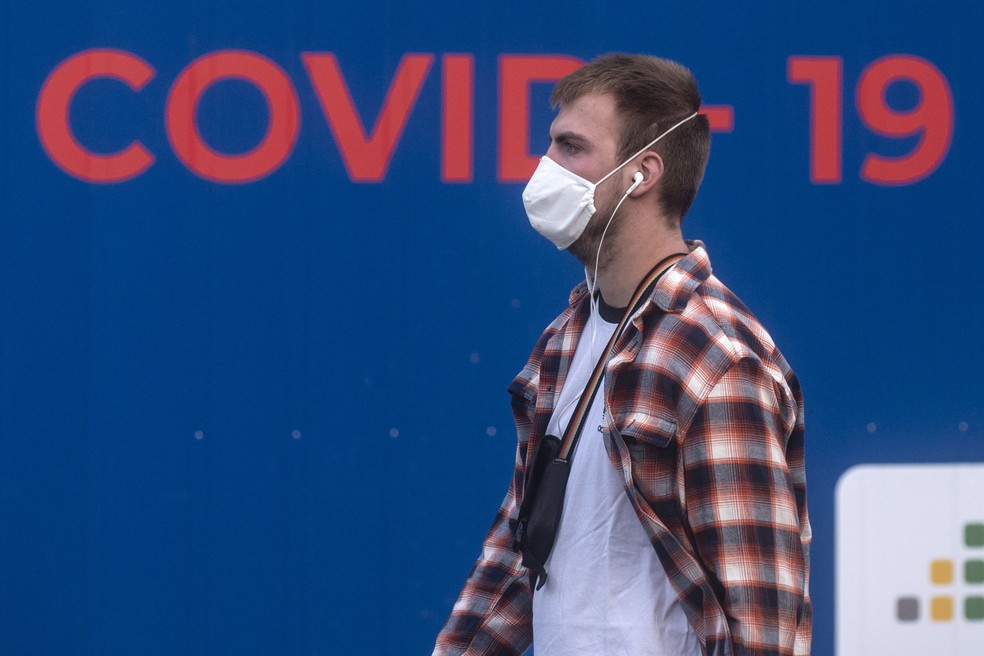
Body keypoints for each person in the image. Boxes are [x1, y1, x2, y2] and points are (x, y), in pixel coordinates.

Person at [433, 53, 811, 656]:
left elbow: (761, 621)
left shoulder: (716, 360)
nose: (545, 168)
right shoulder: (566, 339)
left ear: (644, 172)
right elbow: (518, 559)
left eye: (571, 147)